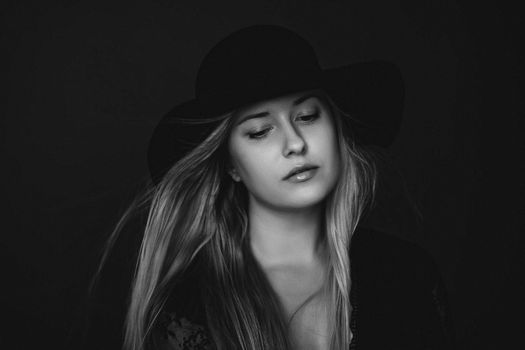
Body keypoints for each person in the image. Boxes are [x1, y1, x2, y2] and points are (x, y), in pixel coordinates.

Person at [94, 25, 455, 350]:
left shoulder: (407, 276)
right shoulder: (190, 304)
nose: (295, 143)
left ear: (337, 128)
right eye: (260, 131)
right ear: (231, 165)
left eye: (307, 116)